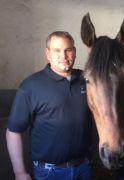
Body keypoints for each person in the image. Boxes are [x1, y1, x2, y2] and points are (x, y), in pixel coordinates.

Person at [6, 31, 93, 180]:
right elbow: (13, 131)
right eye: (57, 50)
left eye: (68, 50)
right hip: (49, 172)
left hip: (83, 167)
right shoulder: (31, 86)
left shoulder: (88, 80)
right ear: (47, 53)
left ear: (75, 52)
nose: (63, 56)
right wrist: (19, 172)